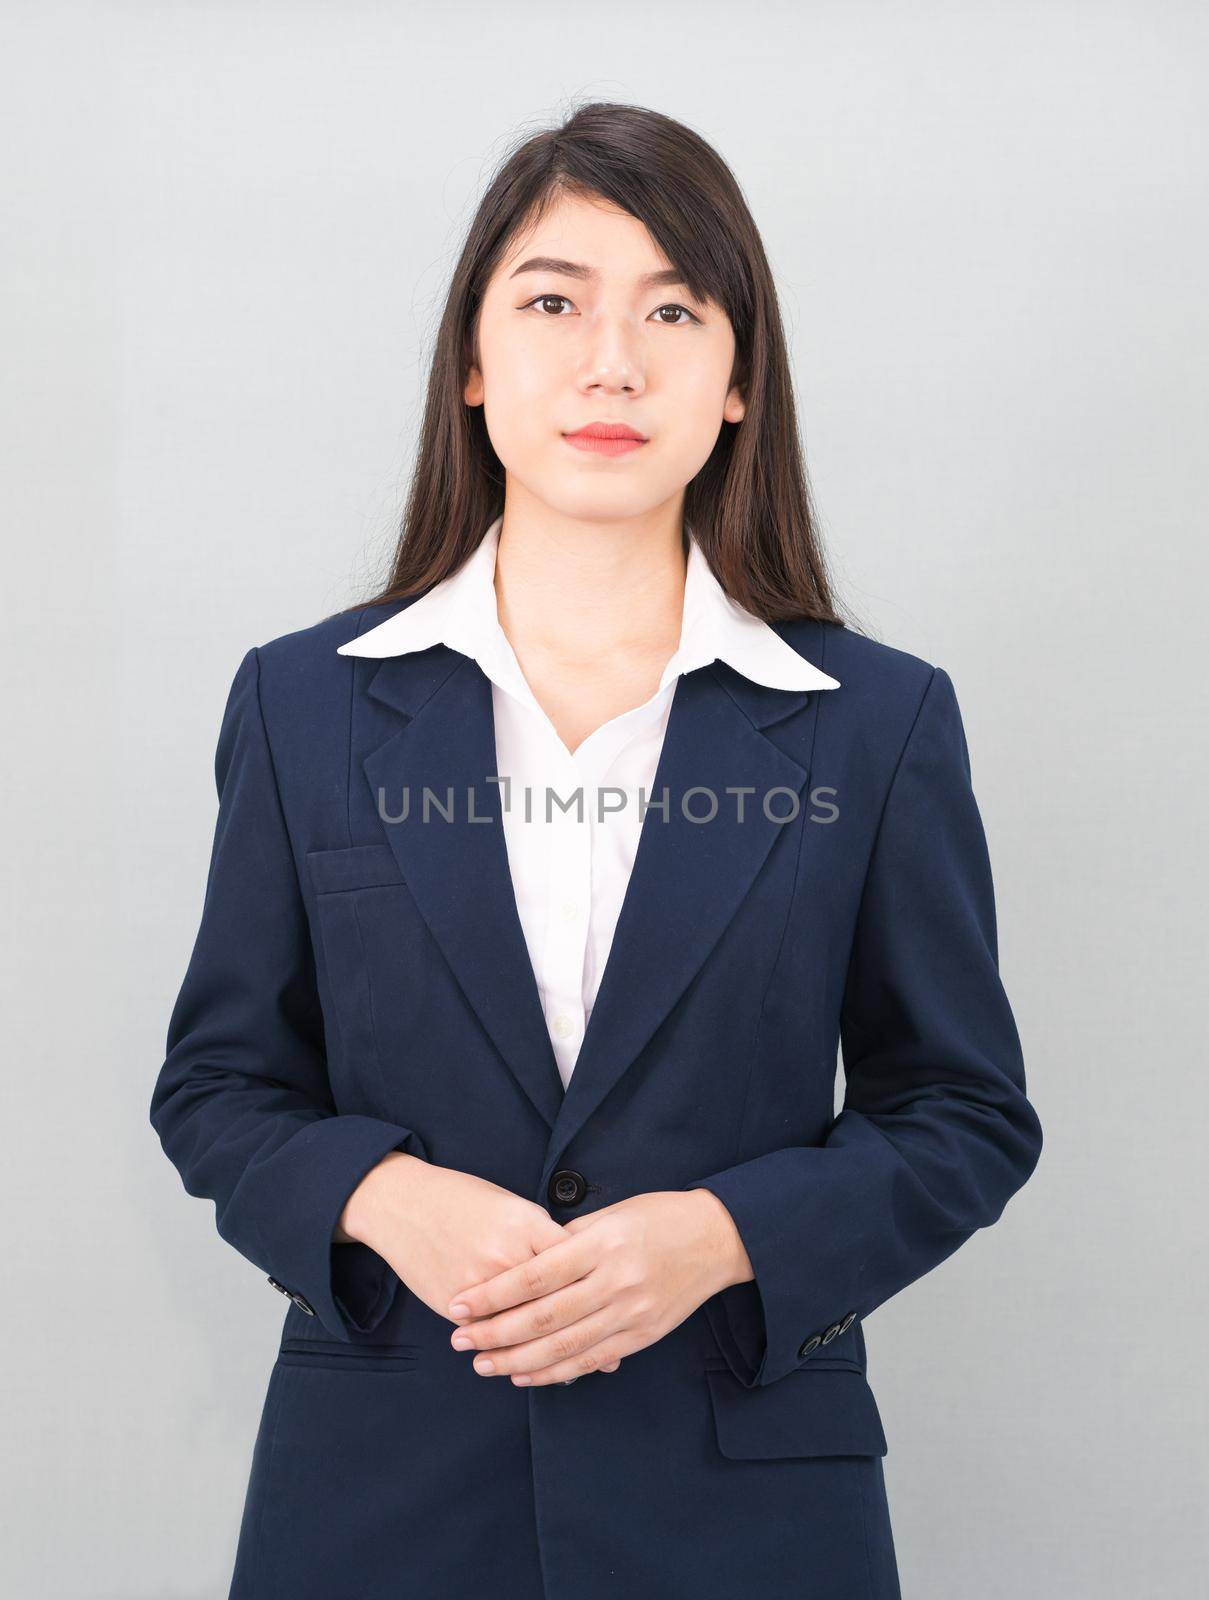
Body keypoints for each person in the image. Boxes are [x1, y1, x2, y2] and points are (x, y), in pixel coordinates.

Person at [149, 101, 1043, 1599]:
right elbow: (217, 1086)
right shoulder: (302, 703)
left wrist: (719, 1235)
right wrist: (382, 1197)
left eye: (673, 310)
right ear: (473, 363)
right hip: (379, 1500)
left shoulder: (873, 724)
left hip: (745, 1508)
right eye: (554, 302)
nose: (611, 361)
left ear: (737, 381)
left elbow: (961, 1112)